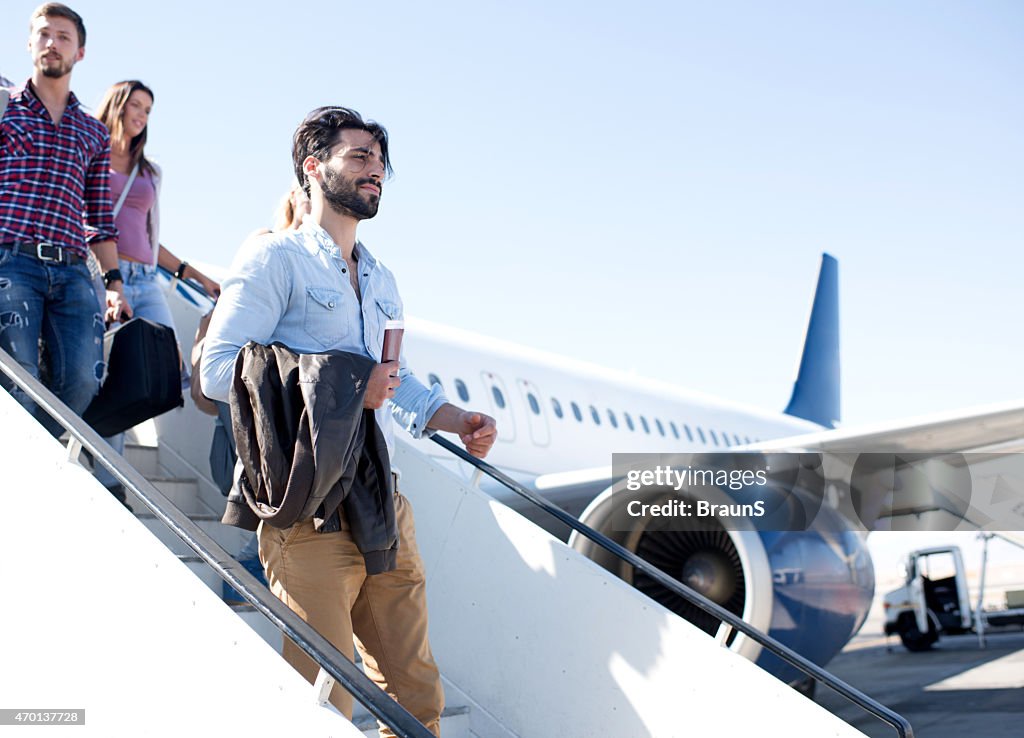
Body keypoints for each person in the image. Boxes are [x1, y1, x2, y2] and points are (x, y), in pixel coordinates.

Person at [201, 106, 497, 736]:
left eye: (381, 163)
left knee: (416, 700)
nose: (376, 172)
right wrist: (344, 386)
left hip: (382, 504)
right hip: (308, 511)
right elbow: (217, 372)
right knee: (320, 702)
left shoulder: (383, 276)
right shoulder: (274, 260)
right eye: (360, 157)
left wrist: (453, 416)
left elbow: (398, 380)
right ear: (314, 166)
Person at [0, 3, 129, 437]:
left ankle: (34, 454)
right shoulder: (3, 107)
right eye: (44, 34)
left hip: (73, 269)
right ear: (30, 43)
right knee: (20, 378)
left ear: (80, 53)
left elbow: (99, 216)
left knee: (82, 381)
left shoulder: (92, 131)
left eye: (63, 37)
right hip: (10, 261)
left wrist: (114, 284)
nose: (52, 43)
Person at [91, 79, 220, 499]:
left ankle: (108, 463)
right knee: (112, 375)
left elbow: (148, 235)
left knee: (163, 366)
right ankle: (112, 479)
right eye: (137, 105)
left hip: (147, 280)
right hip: (99, 274)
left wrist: (191, 273)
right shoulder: (91, 154)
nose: (142, 115)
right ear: (118, 105)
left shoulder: (150, 172)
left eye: (148, 110)